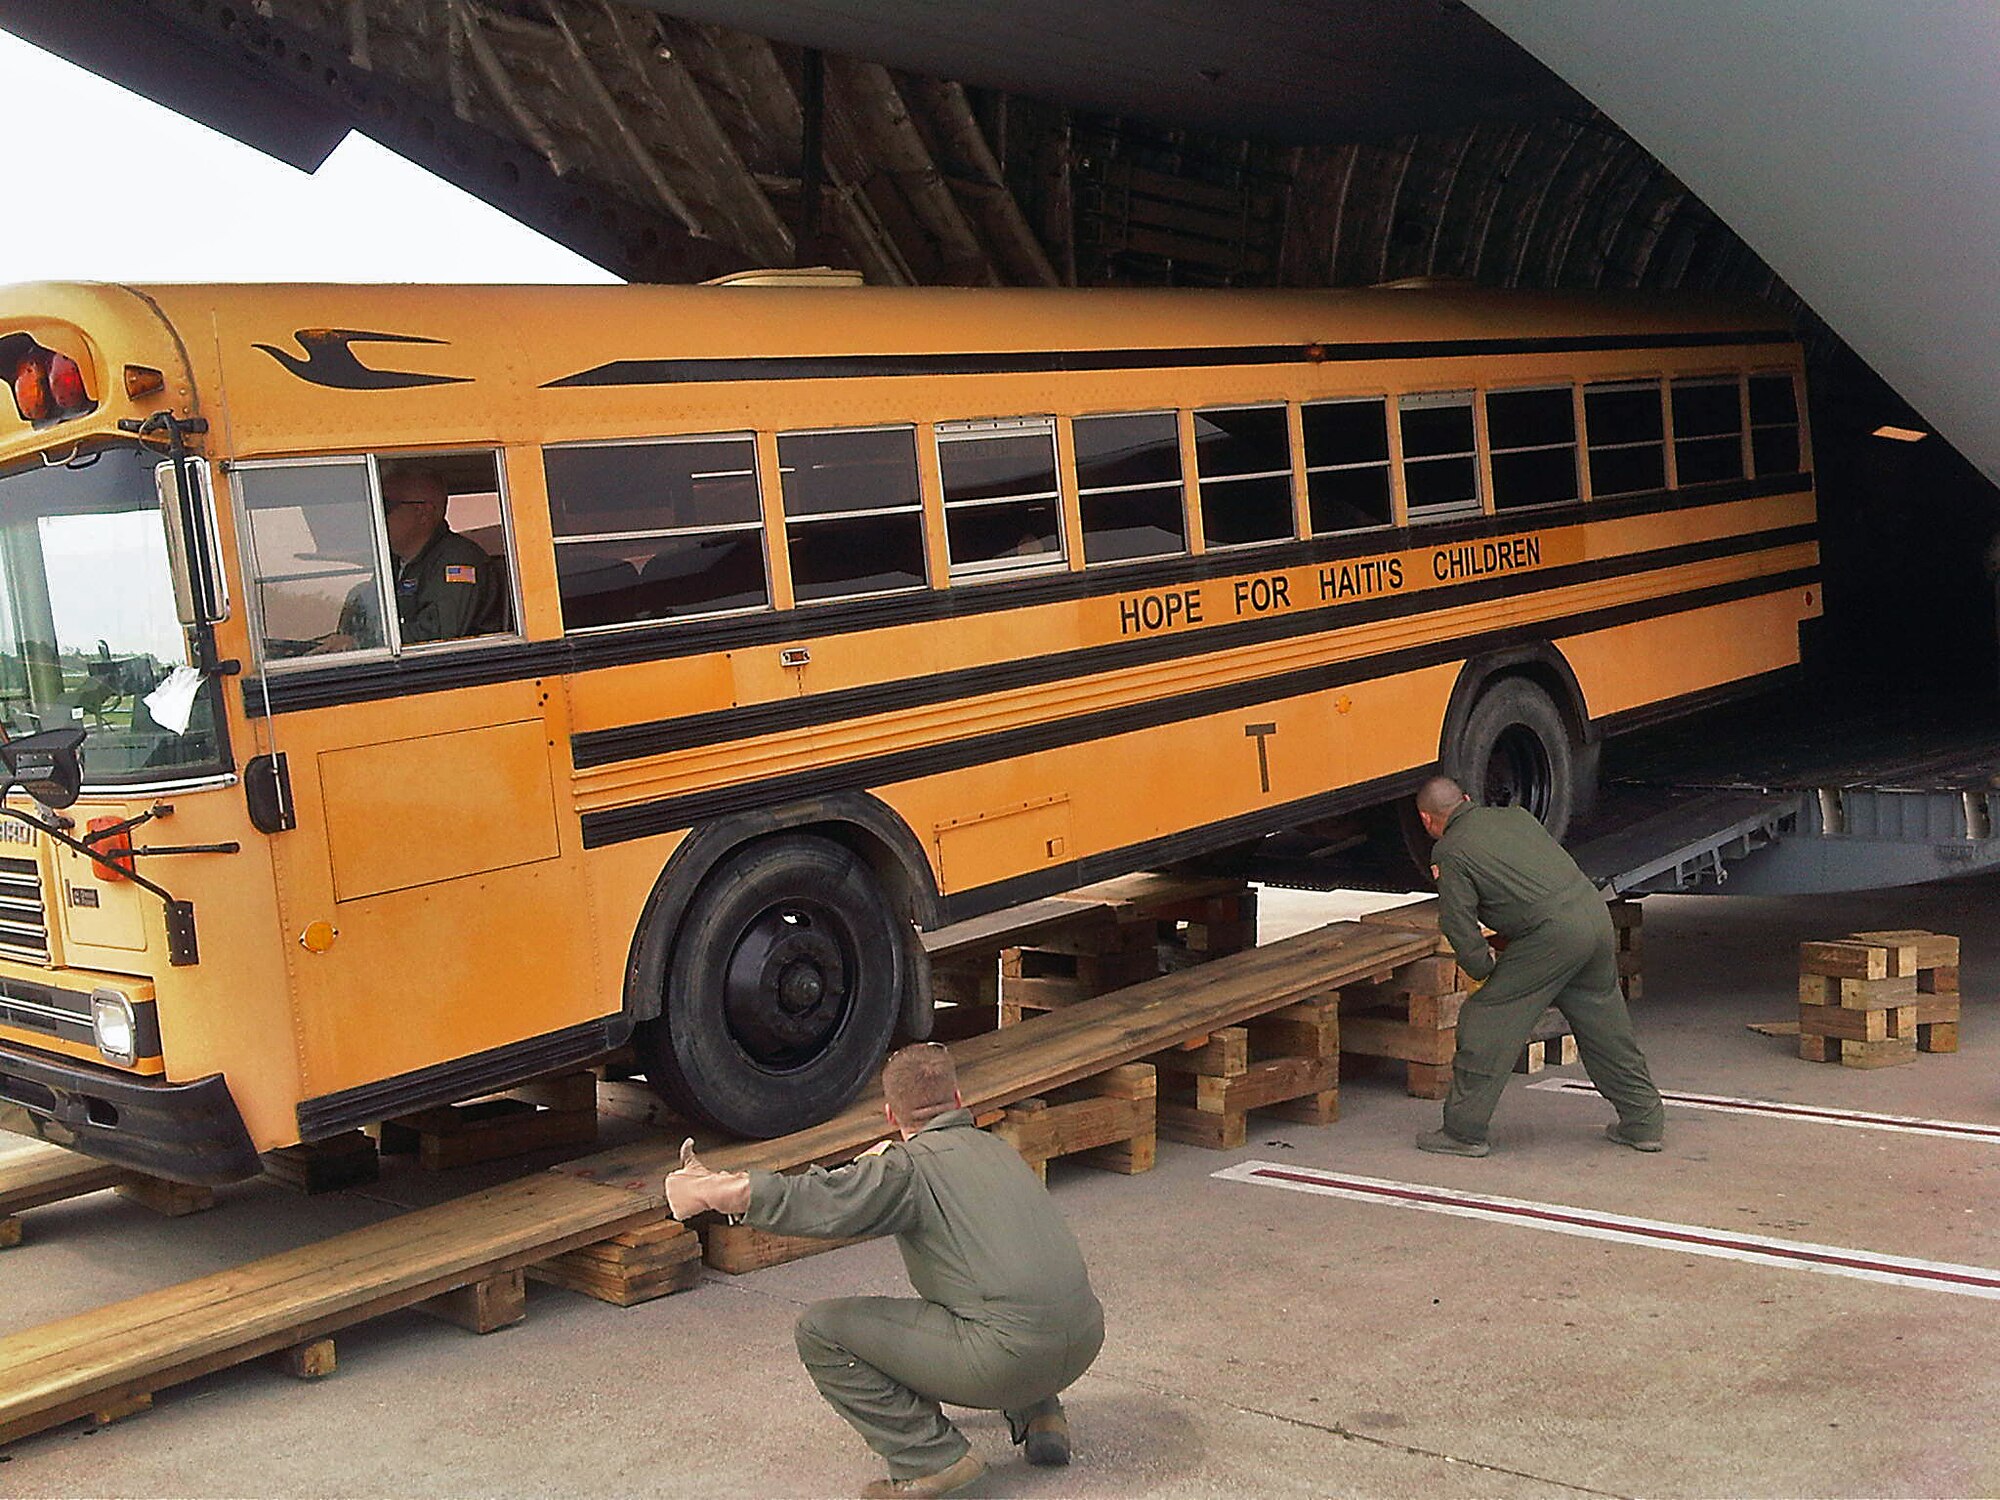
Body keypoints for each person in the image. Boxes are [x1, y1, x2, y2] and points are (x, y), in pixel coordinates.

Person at [665, 1042, 1104, 1499]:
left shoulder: (906, 1169)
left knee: (821, 1330)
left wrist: (714, 1190)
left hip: (1008, 1360)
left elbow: (821, 1200)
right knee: (1000, 1284)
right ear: (958, 1100)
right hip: (1083, 1341)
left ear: (890, 1115)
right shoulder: (997, 1148)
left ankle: (934, 1460)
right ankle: (1042, 1416)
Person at [1413, 775, 1665, 1158]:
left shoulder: (1450, 852)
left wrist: (1483, 969)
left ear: (1427, 820)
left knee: (1486, 1019)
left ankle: (1463, 1132)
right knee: (1605, 1026)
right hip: (1593, 915)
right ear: (1466, 799)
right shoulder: (1516, 817)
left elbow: (1458, 922)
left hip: (1551, 937)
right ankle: (1644, 1122)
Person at [323, 469, 503, 651]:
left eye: (384, 506)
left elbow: (440, 633)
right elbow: (372, 613)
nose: (375, 516)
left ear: (422, 512)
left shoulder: (458, 560)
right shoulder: (394, 562)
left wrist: (361, 642)